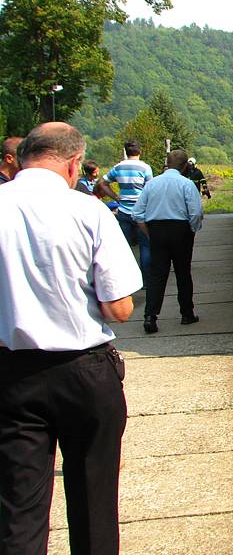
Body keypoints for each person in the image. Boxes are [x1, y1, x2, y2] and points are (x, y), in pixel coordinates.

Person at [0, 122, 142, 555]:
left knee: (18, 507)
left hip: (11, 374)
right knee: (94, 500)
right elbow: (118, 307)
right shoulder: (89, 211)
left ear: (21, 157)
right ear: (73, 162)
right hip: (84, 370)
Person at [132, 149, 203, 334]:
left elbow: (137, 213)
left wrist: (149, 233)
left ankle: (150, 316)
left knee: (157, 275)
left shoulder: (152, 184)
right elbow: (195, 213)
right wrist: (192, 230)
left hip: (157, 230)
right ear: (186, 165)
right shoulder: (187, 184)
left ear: (167, 163)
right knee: (183, 273)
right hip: (181, 230)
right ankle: (187, 314)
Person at [96, 140, 153, 287]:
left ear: (126, 152)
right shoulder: (145, 168)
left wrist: (115, 196)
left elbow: (102, 183)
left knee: (124, 248)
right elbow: (150, 190)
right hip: (141, 212)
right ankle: (146, 281)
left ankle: (125, 281)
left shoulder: (118, 167)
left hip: (123, 211)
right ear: (140, 152)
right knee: (145, 247)